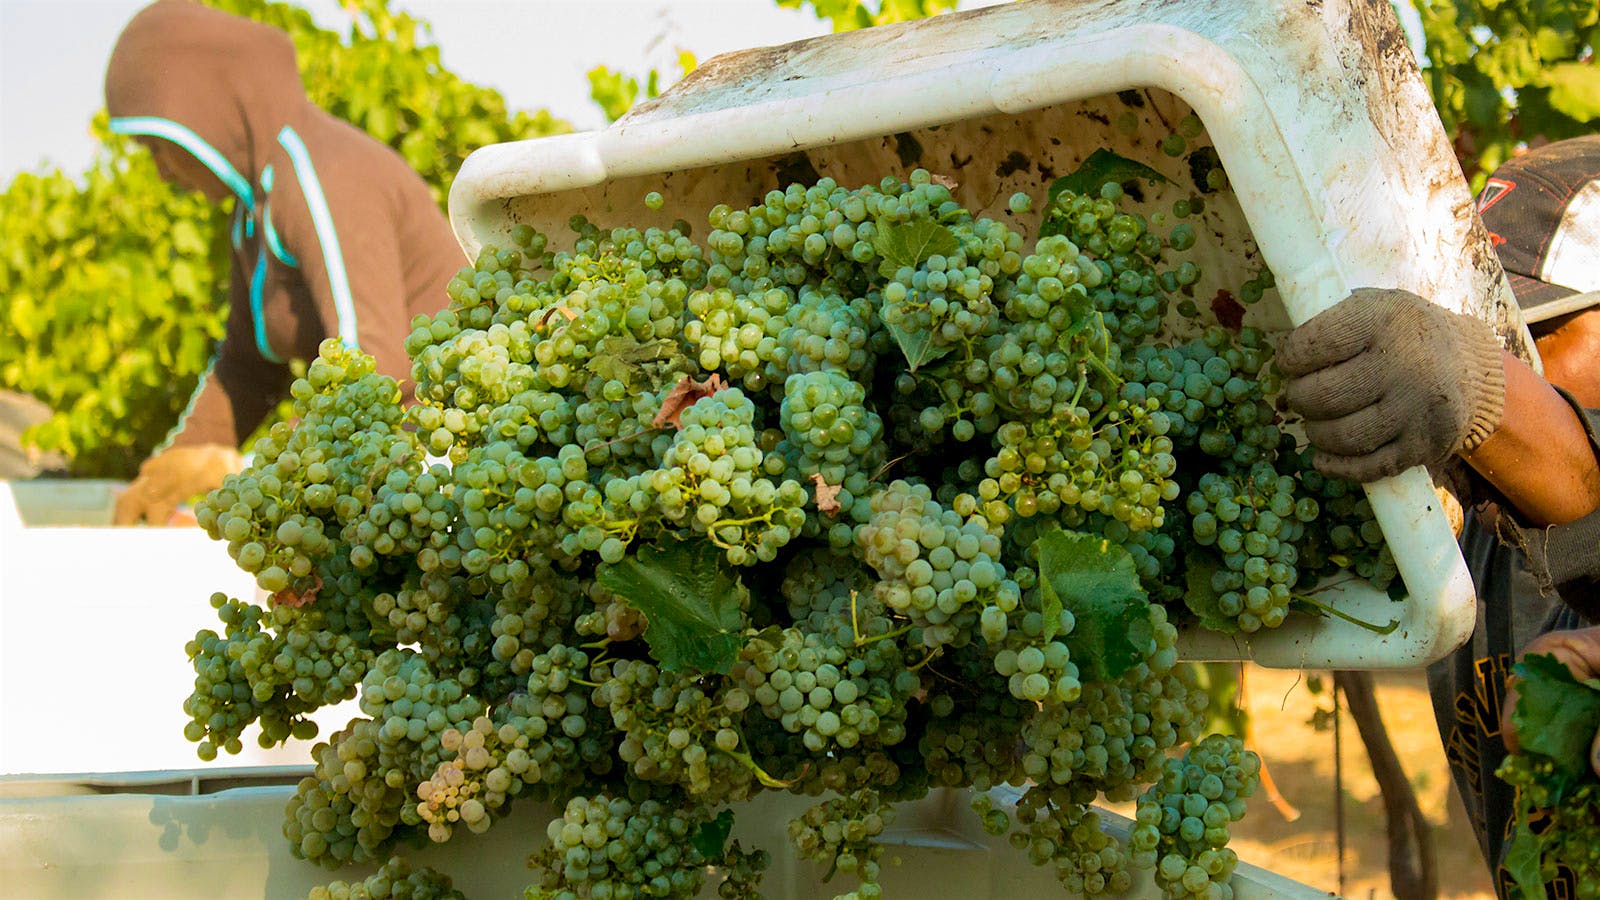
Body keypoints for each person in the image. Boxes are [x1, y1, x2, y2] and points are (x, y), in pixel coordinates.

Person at [1275, 135, 1600, 898]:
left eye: (1538, 331)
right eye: (1484, 327)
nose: (1516, 355)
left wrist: (1486, 389)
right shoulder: (1460, 528)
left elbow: (1583, 477)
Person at [103, 0, 464, 524]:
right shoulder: (253, 213)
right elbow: (247, 369)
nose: (161, 172)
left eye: (156, 146)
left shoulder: (320, 176)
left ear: (203, 115)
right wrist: (169, 471)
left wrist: (245, 474)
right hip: (380, 462)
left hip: (443, 468)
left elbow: (372, 374)